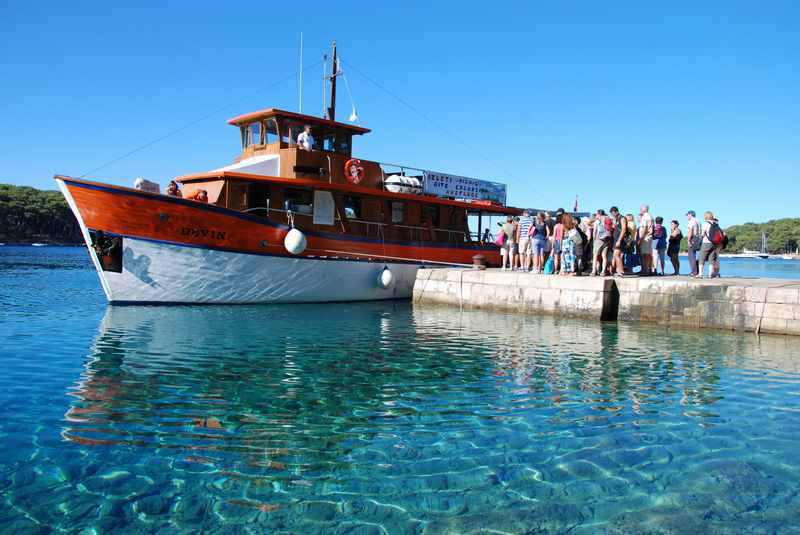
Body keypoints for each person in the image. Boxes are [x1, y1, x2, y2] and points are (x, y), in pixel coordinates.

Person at [698, 211, 722, 278]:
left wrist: (699, 238)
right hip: (714, 243)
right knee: (711, 259)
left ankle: (700, 274)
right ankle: (710, 274)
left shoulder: (705, 223)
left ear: (705, 216)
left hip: (706, 242)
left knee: (701, 258)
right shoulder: (715, 223)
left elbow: (703, 234)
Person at [593, 209, 612, 276]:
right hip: (607, 239)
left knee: (595, 255)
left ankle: (593, 270)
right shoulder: (607, 219)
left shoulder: (597, 221)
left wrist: (594, 240)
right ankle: (603, 271)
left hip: (599, 239)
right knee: (604, 256)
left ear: (599, 214)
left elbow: (594, 231)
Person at [638, 204, 653, 276]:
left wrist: (641, 238)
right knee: (646, 254)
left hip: (645, 237)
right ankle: (646, 270)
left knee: (645, 254)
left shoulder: (645, 217)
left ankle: (646, 271)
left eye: (641, 208)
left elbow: (644, 228)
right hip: (647, 236)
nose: (640, 209)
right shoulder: (648, 216)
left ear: (645, 209)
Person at [686, 210, 701, 277]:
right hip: (698, 238)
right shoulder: (698, 221)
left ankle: (694, 272)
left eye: (687, 215)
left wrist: (688, 240)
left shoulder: (691, 221)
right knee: (695, 256)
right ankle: (697, 271)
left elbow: (690, 230)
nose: (687, 217)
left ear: (690, 214)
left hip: (693, 238)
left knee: (691, 256)